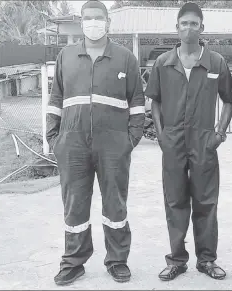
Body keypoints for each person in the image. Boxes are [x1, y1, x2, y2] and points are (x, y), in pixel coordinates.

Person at [46, 0, 145, 285]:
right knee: (74, 204)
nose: (93, 23)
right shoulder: (65, 56)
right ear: (81, 22)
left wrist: (132, 138)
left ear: (108, 22)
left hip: (114, 146)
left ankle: (117, 261)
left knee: (115, 204)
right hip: (72, 144)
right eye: (87, 18)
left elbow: (137, 102)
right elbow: (56, 99)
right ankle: (73, 262)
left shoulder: (125, 58)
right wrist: (55, 138)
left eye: (98, 18)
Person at [145, 2, 232, 282]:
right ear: (177, 28)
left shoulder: (215, 62)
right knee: (175, 201)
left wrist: (219, 133)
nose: (189, 28)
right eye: (184, 23)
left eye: (194, 23)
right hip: (172, 142)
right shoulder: (163, 63)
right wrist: (161, 134)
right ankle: (177, 260)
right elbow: (155, 102)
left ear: (202, 28)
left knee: (206, 202)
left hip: (204, 142)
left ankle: (207, 260)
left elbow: (229, 100)